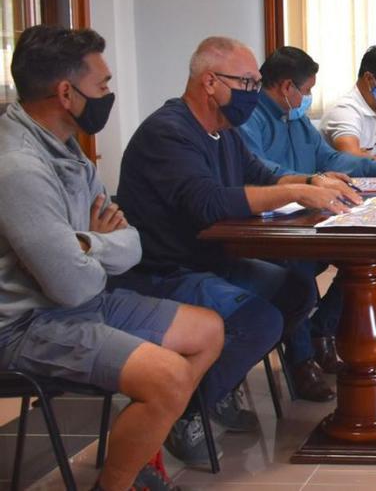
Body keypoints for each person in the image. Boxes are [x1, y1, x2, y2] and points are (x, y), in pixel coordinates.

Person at [113, 36, 360, 464]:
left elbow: (261, 173)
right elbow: (207, 203)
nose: (253, 93)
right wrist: (298, 192)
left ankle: (216, 383)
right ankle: (183, 410)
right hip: (163, 271)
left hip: (213, 260)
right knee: (259, 320)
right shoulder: (168, 133)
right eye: (246, 83)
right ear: (210, 82)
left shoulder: (223, 132)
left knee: (297, 292)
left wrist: (312, 182)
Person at [0, 25, 223, 490]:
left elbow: (131, 244)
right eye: (101, 85)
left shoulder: (66, 147)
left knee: (207, 330)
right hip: (26, 325)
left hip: (79, 302)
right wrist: (94, 246)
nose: (108, 95)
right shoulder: (19, 166)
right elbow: (72, 285)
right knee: (168, 377)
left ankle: (137, 455)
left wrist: (83, 244)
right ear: (66, 93)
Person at [241, 46, 376, 373]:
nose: (308, 99)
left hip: (313, 217)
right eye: (307, 91)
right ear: (287, 87)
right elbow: (257, 168)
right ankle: (301, 363)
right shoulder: (249, 119)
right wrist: (307, 182)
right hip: (274, 228)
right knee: (297, 269)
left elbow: (331, 159)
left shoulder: (296, 119)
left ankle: (322, 329)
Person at [320, 43, 376, 162]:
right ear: (368, 78)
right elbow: (353, 161)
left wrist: (368, 158)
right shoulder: (344, 110)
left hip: (373, 174)